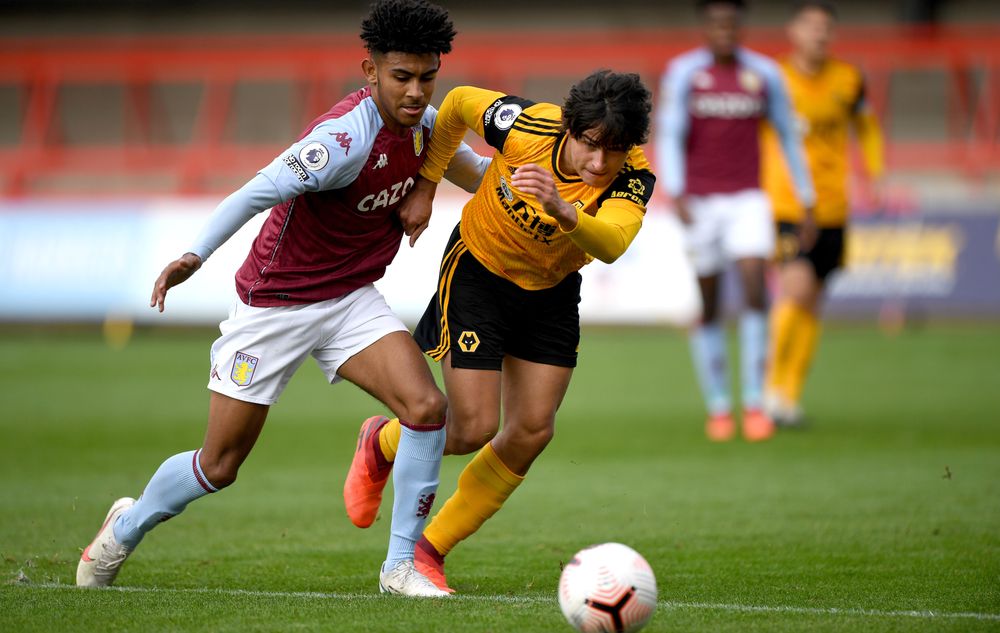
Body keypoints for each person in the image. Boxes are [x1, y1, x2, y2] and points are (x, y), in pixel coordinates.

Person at [75, 0, 489, 598]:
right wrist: (195, 254)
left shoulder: (428, 130)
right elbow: (255, 192)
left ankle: (400, 568)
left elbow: (477, 173)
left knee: (426, 408)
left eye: (428, 77)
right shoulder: (342, 140)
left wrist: (549, 190)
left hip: (349, 299)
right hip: (276, 304)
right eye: (402, 76)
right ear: (369, 72)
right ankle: (125, 526)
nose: (417, 91)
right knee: (219, 466)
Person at [342, 71, 656, 592]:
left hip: (551, 288)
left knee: (533, 430)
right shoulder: (528, 125)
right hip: (479, 273)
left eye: (616, 150)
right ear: (569, 130)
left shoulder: (633, 177)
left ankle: (429, 549)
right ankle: (383, 440)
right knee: (471, 428)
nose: (600, 164)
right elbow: (460, 103)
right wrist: (427, 184)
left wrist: (560, 207)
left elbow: (615, 242)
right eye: (590, 146)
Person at [655, 0, 815, 442]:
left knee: (753, 288)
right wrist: (677, 188)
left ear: (741, 26)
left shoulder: (763, 74)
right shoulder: (685, 72)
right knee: (708, 304)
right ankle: (719, 406)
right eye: (717, 23)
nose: (725, 29)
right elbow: (670, 133)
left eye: (732, 22)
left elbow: (787, 135)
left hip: (748, 199)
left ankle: (755, 403)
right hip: (701, 202)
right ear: (706, 28)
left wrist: (806, 198)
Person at [763, 0, 884, 426]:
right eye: (811, 26)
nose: (819, 34)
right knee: (794, 288)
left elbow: (867, 127)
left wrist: (875, 173)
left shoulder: (848, 79)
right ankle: (768, 389)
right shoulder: (772, 79)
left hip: (835, 206)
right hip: (789, 204)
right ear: (792, 30)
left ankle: (789, 398)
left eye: (826, 28)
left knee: (813, 302)